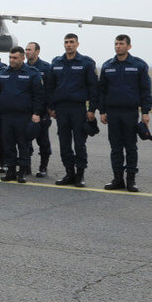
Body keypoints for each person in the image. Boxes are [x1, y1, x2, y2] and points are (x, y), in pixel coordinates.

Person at [98, 35, 152, 192]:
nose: (118, 47)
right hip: (113, 112)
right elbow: (102, 91)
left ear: (129, 46)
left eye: (121, 44)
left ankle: (131, 180)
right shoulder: (108, 65)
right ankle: (117, 179)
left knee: (130, 146)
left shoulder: (139, 65)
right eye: (116, 44)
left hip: (130, 112)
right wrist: (102, 111)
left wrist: (146, 111)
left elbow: (145, 90)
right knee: (115, 147)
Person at [45, 33, 98, 188]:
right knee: (64, 143)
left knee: (80, 143)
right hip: (61, 109)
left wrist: (92, 109)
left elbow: (93, 87)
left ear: (77, 44)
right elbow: (50, 87)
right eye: (66, 42)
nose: (68, 45)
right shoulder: (56, 63)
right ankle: (69, 173)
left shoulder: (86, 63)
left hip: (78, 109)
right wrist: (51, 107)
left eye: (72, 42)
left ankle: (80, 175)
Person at [0, 46, 45, 183]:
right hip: (6, 116)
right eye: (10, 57)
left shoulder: (32, 73)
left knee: (23, 145)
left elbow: (39, 96)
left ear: (22, 58)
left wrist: (37, 113)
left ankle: (22, 172)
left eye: (15, 58)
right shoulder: (2, 73)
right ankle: (11, 170)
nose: (11, 60)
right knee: (8, 144)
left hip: (24, 116)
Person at [25, 41, 53, 177]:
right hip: (27, 111)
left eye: (30, 49)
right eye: (26, 49)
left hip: (41, 111)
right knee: (25, 140)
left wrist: (48, 108)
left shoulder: (46, 68)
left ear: (37, 51)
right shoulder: (23, 68)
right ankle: (27, 166)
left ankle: (43, 167)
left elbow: (50, 90)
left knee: (43, 141)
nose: (27, 52)